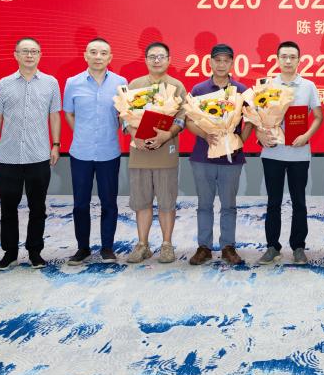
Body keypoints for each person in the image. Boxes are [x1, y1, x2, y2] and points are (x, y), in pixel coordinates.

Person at [0, 37, 61, 271]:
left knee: (38, 208)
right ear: (16, 55)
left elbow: (55, 115)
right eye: (25, 51)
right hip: (8, 156)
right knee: (8, 209)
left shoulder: (51, 83)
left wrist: (56, 144)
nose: (29, 55)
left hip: (38, 155)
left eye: (34, 51)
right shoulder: (3, 84)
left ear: (40, 55)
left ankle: (35, 252)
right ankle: (9, 253)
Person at [256, 41, 323, 266]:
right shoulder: (266, 85)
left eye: (292, 57)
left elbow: (318, 117)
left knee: (299, 202)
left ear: (299, 60)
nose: (287, 61)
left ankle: (298, 247)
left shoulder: (308, 86)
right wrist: (260, 134)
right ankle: (272, 246)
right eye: (283, 57)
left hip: (299, 153)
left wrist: (307, 136)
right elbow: (255, 117)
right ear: (277, 59)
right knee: (273, 202)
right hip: (272, 152)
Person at [185, 43, 252, 265]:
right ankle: (203, 247)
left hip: (231, 159)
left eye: (226, 60)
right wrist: (205, 135)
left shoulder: (241, 90)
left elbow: (251, 119)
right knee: (204, 204)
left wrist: (240, 141)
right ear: (211, 62)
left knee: (229, 205)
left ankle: (228, 247)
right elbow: (189, 121)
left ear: (232, 63)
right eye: (217, 60)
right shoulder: (199, 89)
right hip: (203, 156)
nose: (221, 64)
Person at [63, 38, 127, 265]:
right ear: (85, 55)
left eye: (103, 53)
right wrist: (81, 132)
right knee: (80, 204)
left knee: (109, 202)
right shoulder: (73, 83)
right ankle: (82, 248)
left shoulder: (121, 82)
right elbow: (69, 113)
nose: (98, 56)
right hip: (81, 152)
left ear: (110, 57)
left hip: (109, 152)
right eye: (93, 52)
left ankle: (107, 247)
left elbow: (124, 114)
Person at [124, 42, 187, 265]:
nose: (157, 60)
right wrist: (134, 135)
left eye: (161, 56)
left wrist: (166, 135)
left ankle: (167, 245)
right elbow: (125, 115)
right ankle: (143, 245)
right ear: (146, 60)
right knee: (141, 202)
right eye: (152, 56)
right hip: (139, 153)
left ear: (169, 60)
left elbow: (182, 117)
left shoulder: (176, 86)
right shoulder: (135, 85)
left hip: (165, 154)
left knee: (167, 202)